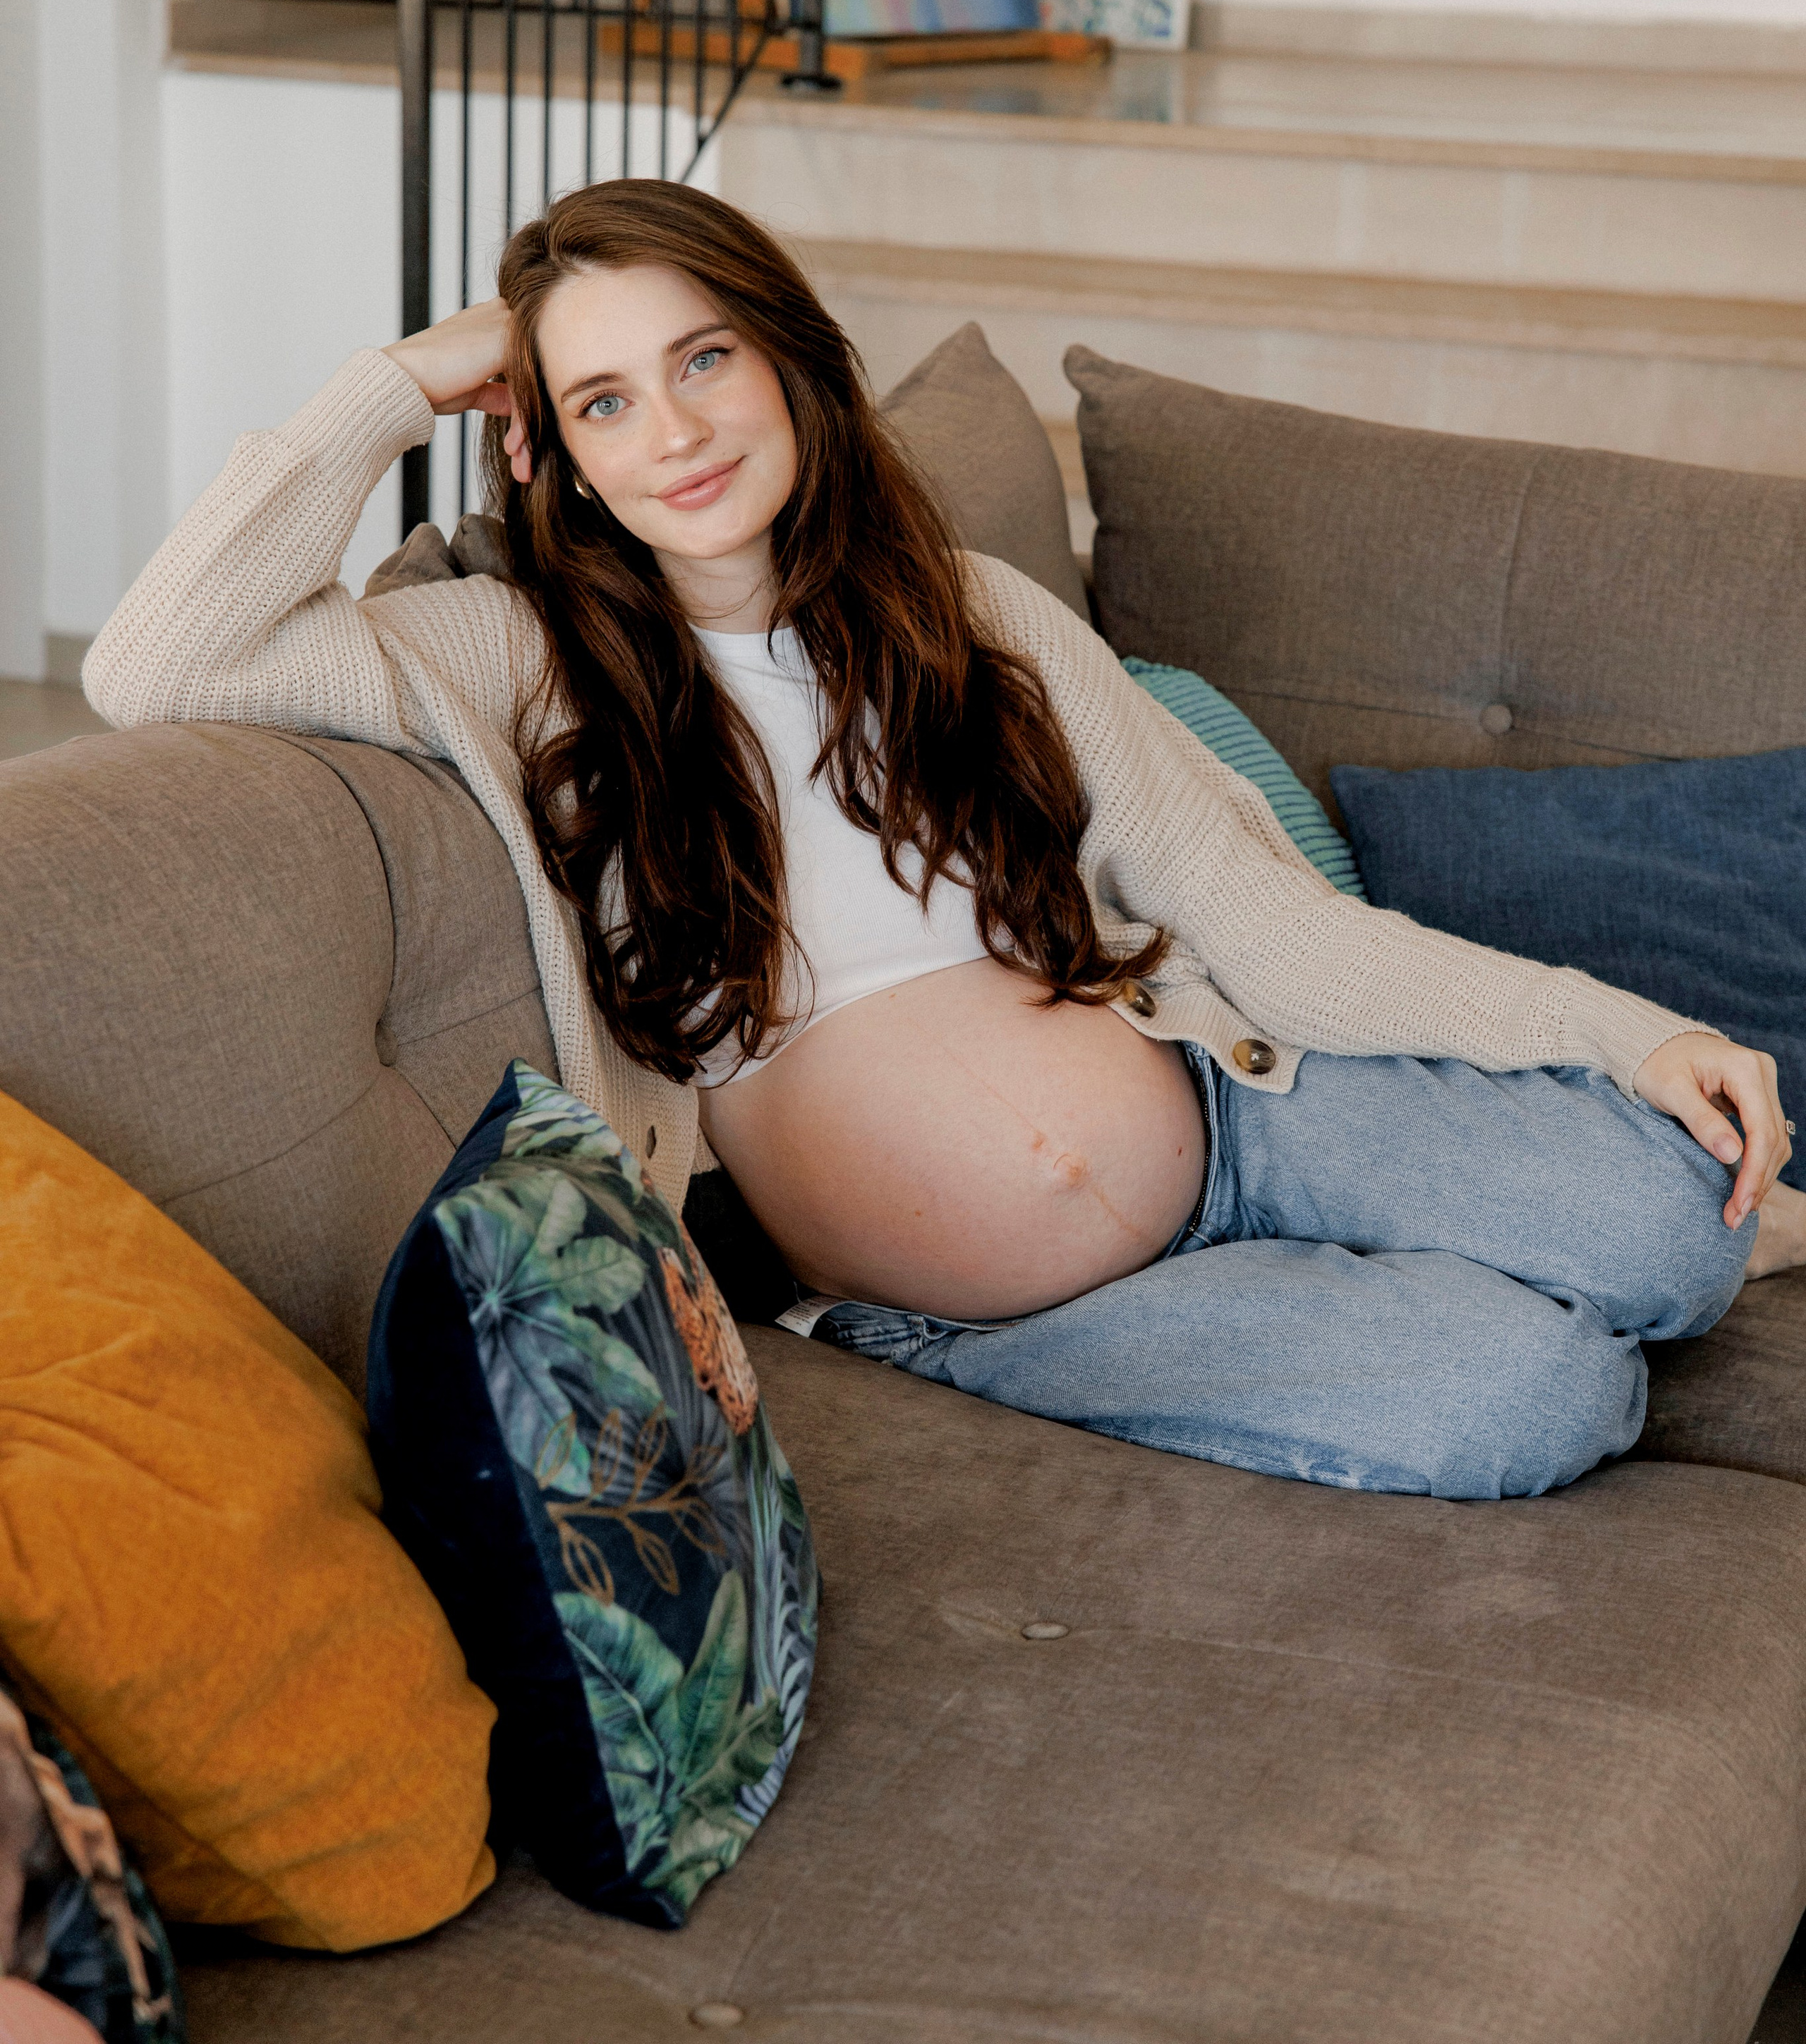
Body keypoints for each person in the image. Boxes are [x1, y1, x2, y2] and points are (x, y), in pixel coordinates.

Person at [86, 181, 1801, 1500]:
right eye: (600, 400)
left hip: (1237, 1109)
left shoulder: (967, 614)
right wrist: (394, 383)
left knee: (1682, 1217)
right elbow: (159, 663)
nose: (672, 432)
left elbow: (1248, 913)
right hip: (1006, 1315)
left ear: (787, 358)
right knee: (1540, 1396)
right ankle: (1359, 1305)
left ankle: (1387, 1253)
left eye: (701, 359)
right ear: (556, 453)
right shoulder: (519, 661)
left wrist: (1615, 1032)